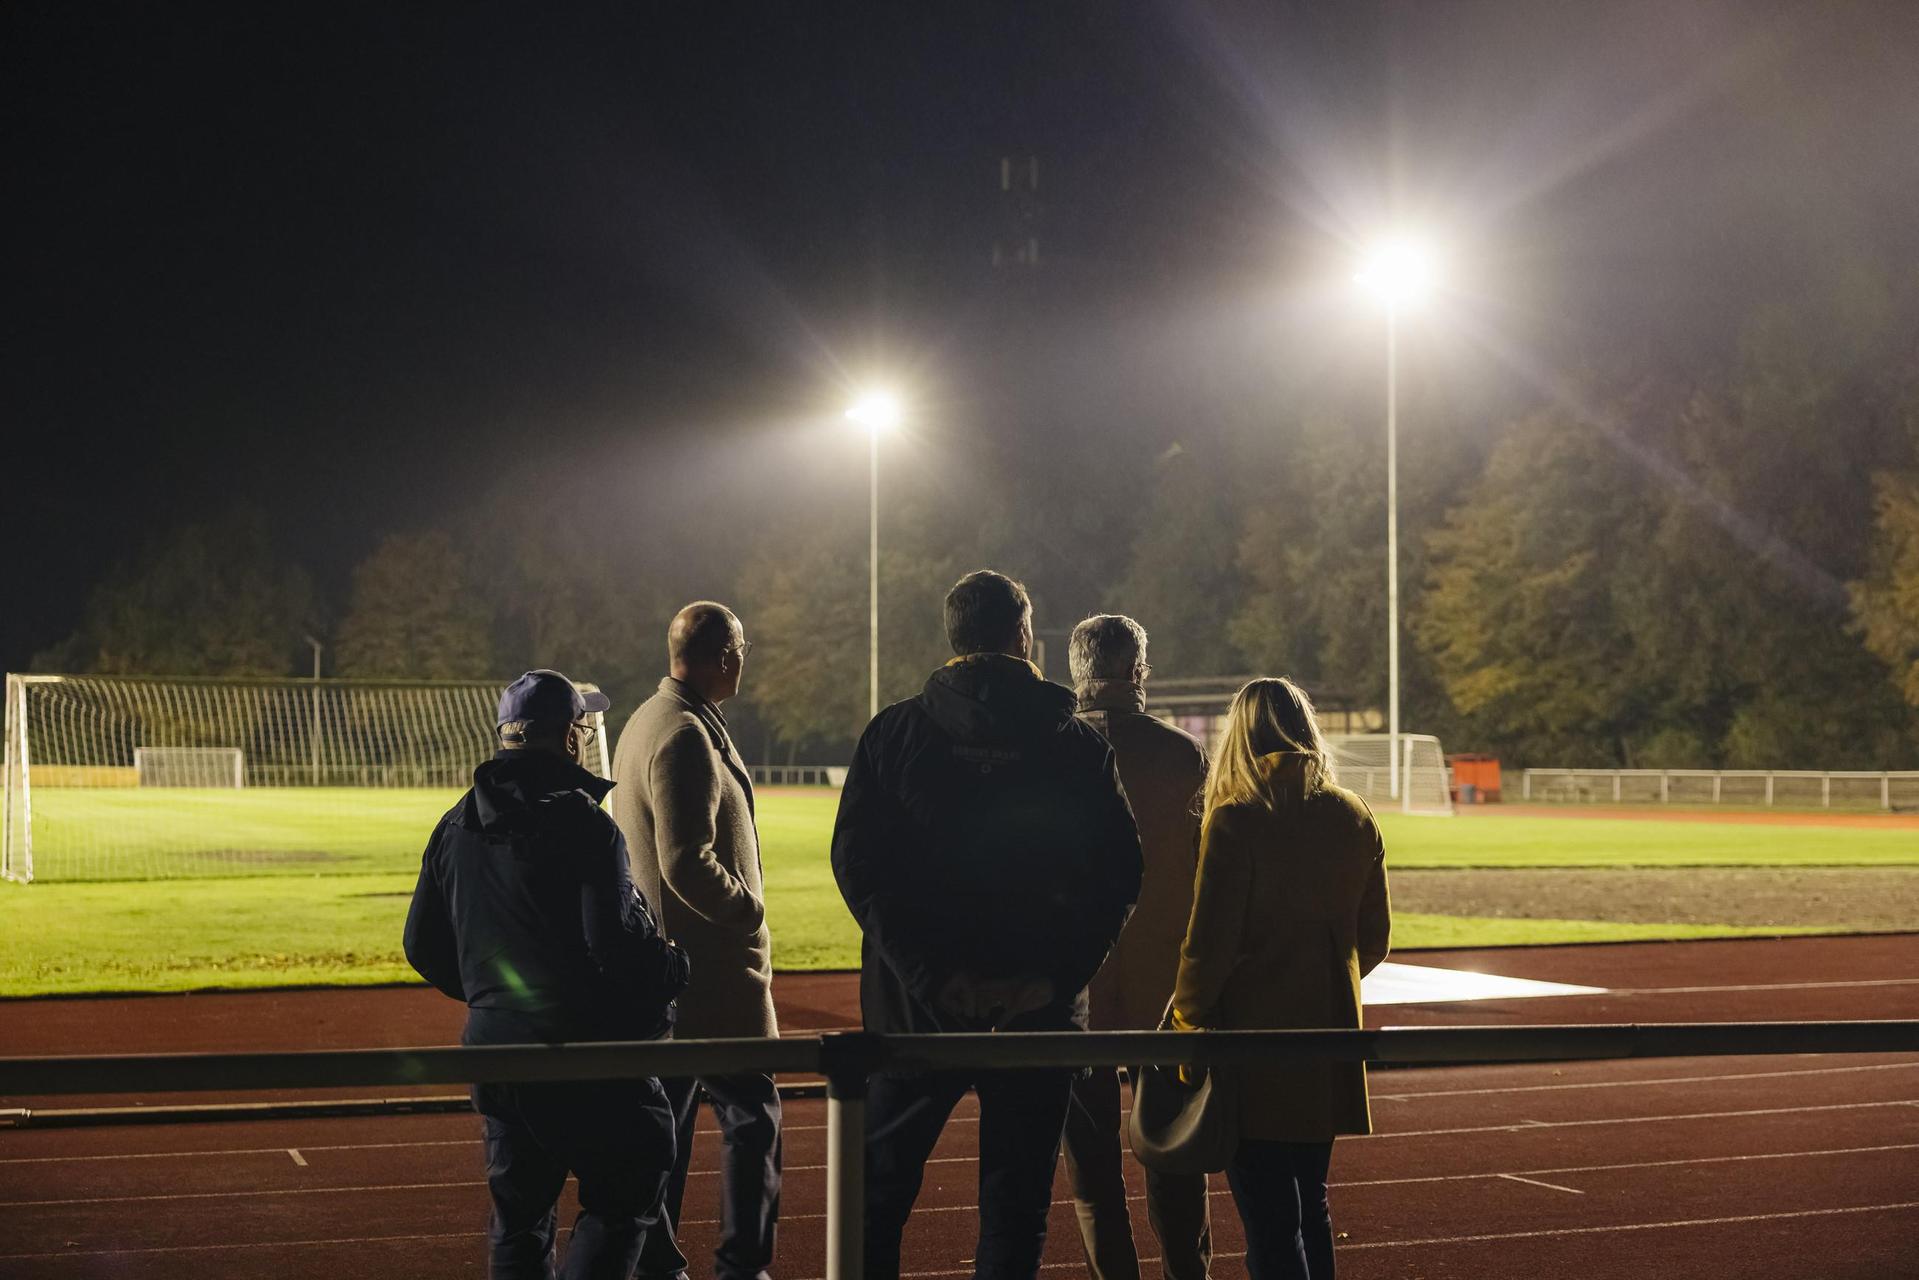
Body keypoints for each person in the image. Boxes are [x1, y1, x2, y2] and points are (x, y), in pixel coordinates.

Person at [831, 569, 1144, 1280]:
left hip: (916, 1013)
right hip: (1036, 1014)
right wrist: (1047, 982)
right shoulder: (1073, 744)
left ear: (954, 637)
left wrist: (933, 980)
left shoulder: (895, 733)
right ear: (1022, 636)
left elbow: (859, 869)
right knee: (1016, 1206)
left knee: (874, 1202)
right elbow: (1118, 875)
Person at [404, 668, 691, 1280]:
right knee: (630, 1184)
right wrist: (674, 967)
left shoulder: (454, 825)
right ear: (570, 738)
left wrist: (497, 997)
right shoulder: (586, 823)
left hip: (495, 1054)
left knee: (520, 1217)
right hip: (583, 1053)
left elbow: (421, 945)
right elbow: (616, 949)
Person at [1171, 678, 1391, 1280]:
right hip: (1329, 1041)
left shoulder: (1236, 820)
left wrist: (1185, 1025)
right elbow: (1374, 940)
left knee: (1268, 1220)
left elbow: (1206, 947)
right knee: (1310, 1206)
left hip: (1253, 1046)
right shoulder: (1352, 813)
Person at [612, 601, 781, 1280]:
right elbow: (686, 859)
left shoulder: (650, 720)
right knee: (752, 1121)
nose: (744, 660)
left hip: (670, 970)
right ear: (725, 656)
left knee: (670, 1129)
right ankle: (743, 1266)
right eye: (741, 648)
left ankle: (658, 1261)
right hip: (708, 973)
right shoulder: (683, 732)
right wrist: (748, 913)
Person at [1059, 615, 1212, 1280]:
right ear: (1139, 671)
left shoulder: (1049, 754)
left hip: (1076, 996)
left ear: (1076, 673)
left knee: (1094, 1183)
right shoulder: (1181, 757)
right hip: (1166, 997)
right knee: (1175, 1164)